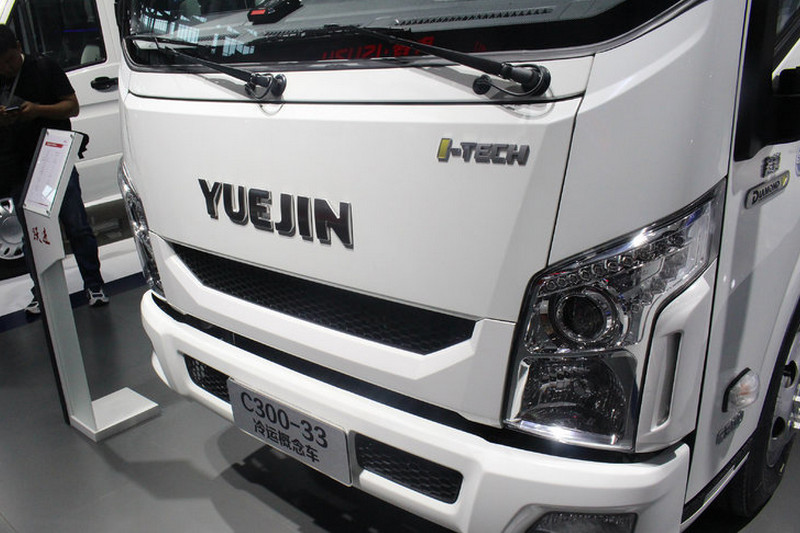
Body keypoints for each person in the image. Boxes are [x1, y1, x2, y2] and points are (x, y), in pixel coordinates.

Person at [0, 23, 108, 314]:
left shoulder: (44, 67)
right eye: (1, 64)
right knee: (32, 234)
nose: (7, 68)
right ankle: (43, 291)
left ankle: (93, 283)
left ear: (19, 48)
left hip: (54, 157)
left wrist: (37, 110)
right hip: (17, 165)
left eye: (9, 60)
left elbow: (71, 107)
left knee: (76, 224)